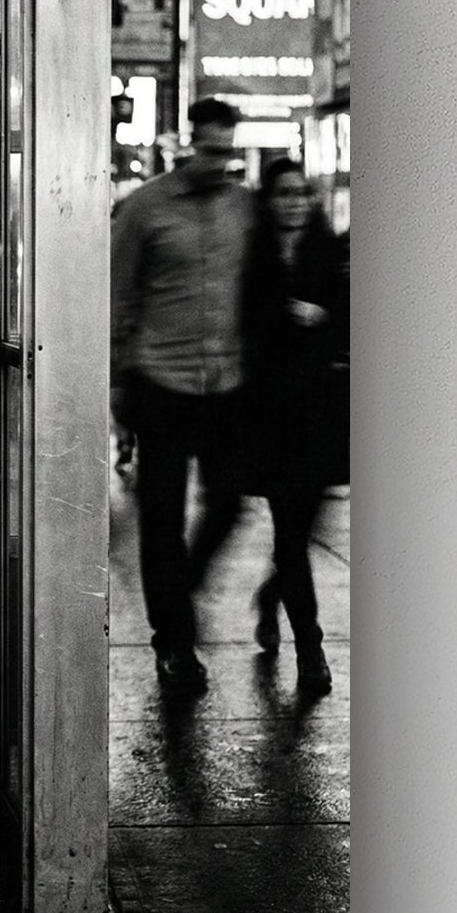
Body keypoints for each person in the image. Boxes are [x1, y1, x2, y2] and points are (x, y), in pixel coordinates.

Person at [111, 97, 252, 693]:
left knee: (228, 502)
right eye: (210, 150)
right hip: (160, 384)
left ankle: (180, 588)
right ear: (188, 143)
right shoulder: (145, 209)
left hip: (227, 385)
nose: (218, 163)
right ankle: (174, 643)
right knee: (162, 519)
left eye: (228, 152)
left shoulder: (245, 210)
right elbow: (120, 298)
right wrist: (117, 386)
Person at [241, 158, 348, 696]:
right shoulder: (253, 255)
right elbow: (242, 323)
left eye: (302, 194)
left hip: (321, 417)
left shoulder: (328, 254)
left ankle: (272, 598)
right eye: (284, 194)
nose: (294, 202)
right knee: (290, 536)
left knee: (298, 537)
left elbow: (350, 321)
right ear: (269, 200)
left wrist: (321, 318)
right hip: (270, 418)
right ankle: (310, 645)